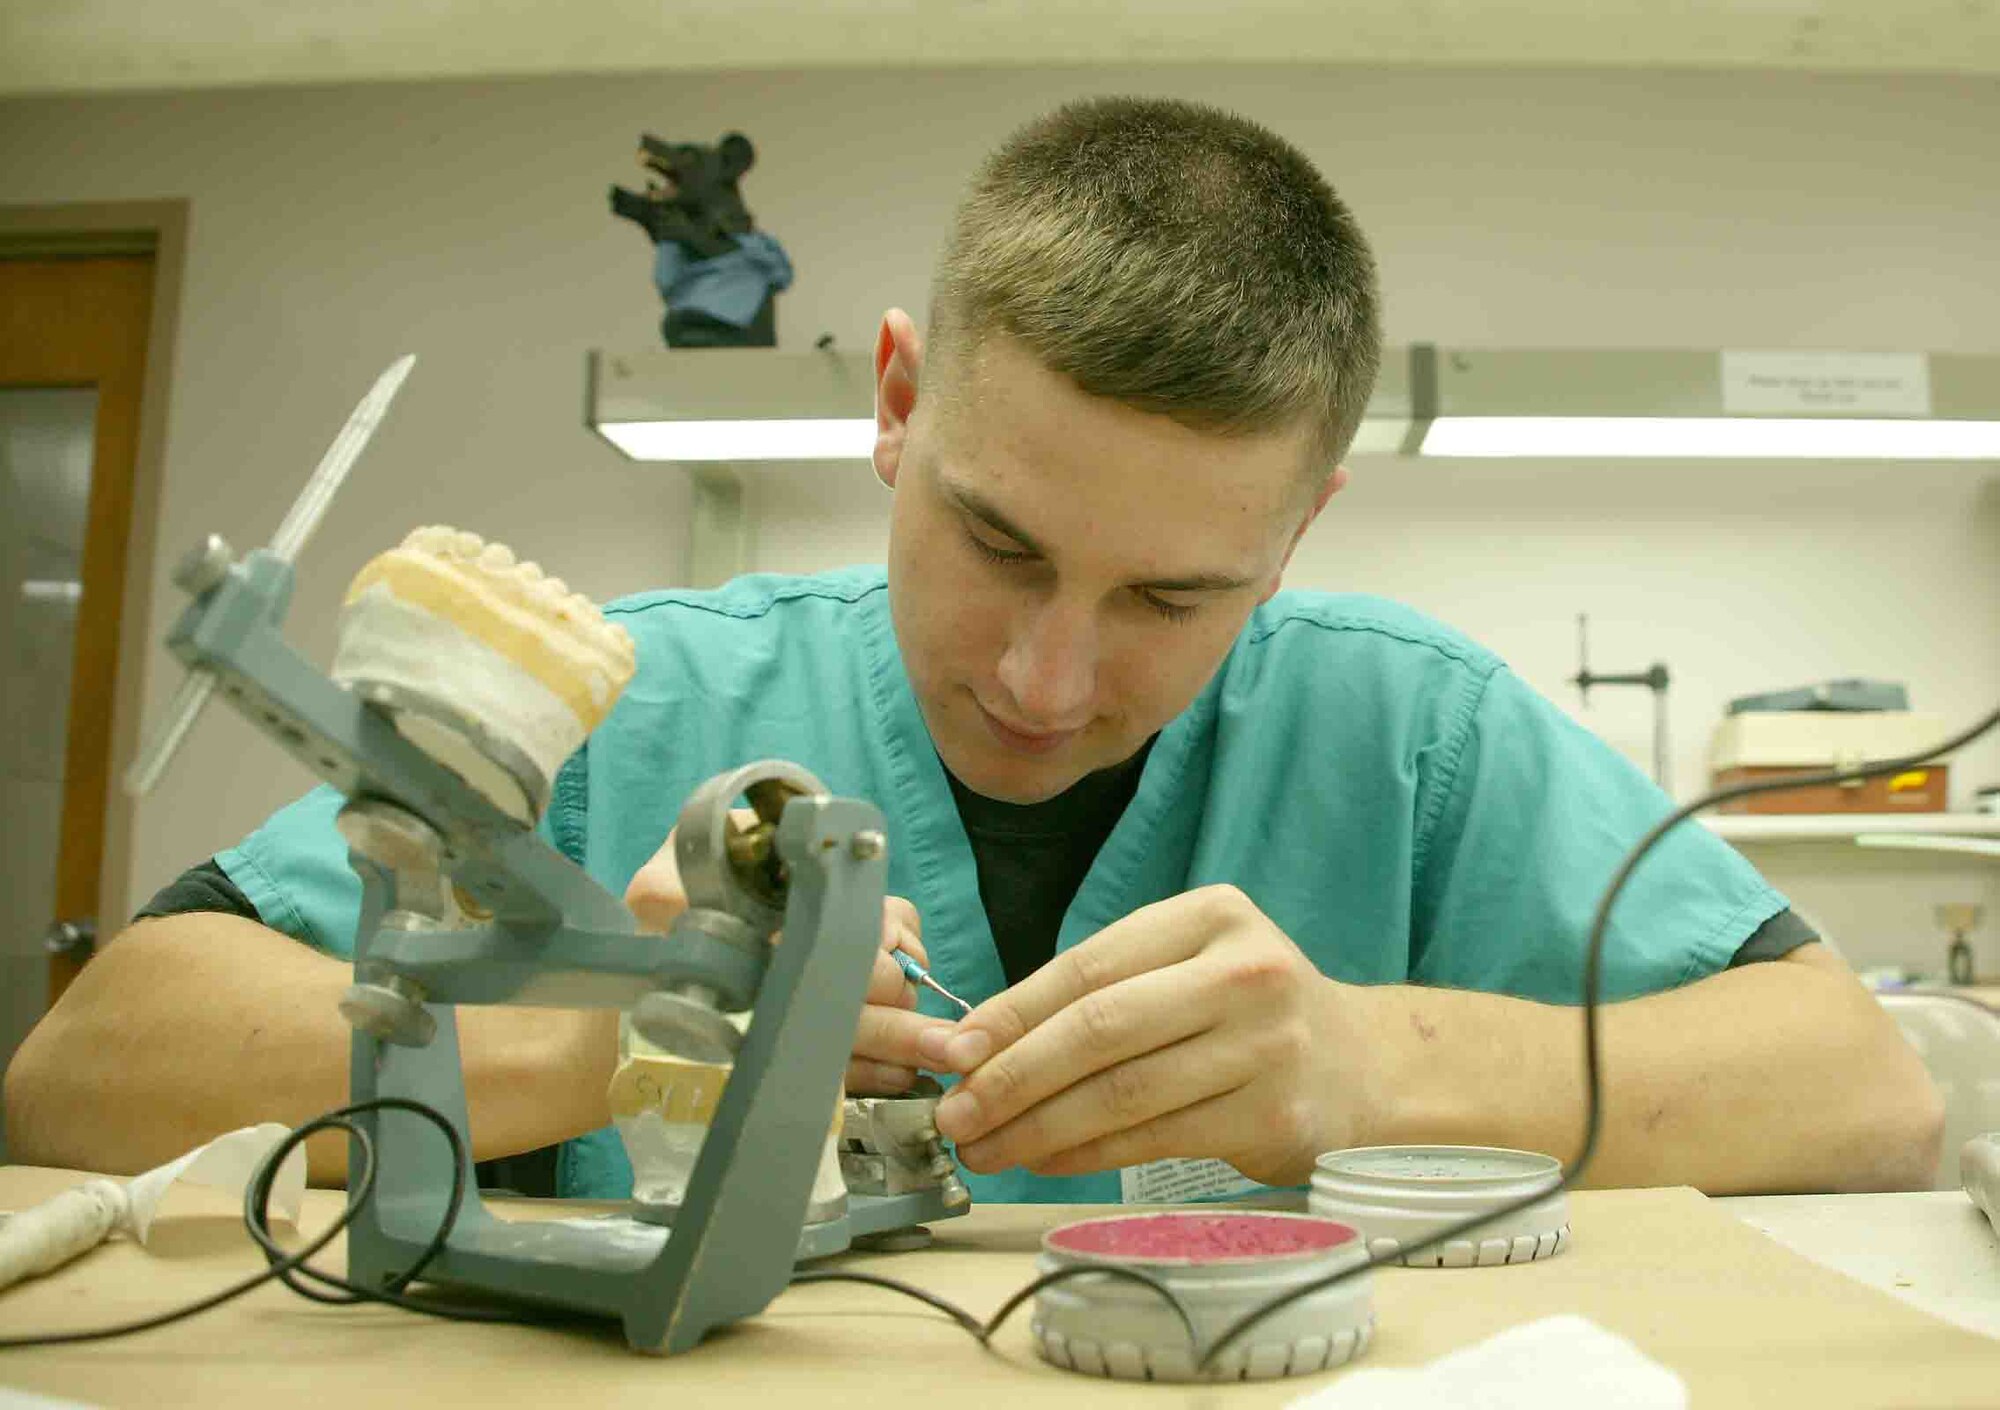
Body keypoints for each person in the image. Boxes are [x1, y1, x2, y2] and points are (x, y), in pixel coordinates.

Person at [5, 97, 1941, 1204]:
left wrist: (1373, 1057)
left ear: (1299, 534)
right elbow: (85, 1079)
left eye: (1173, 600)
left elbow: (1861, 1093)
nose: (1042, 676)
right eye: (993, 539)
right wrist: (597, 1038)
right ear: (895, 406)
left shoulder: (1405, 733)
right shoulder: (635, 700)